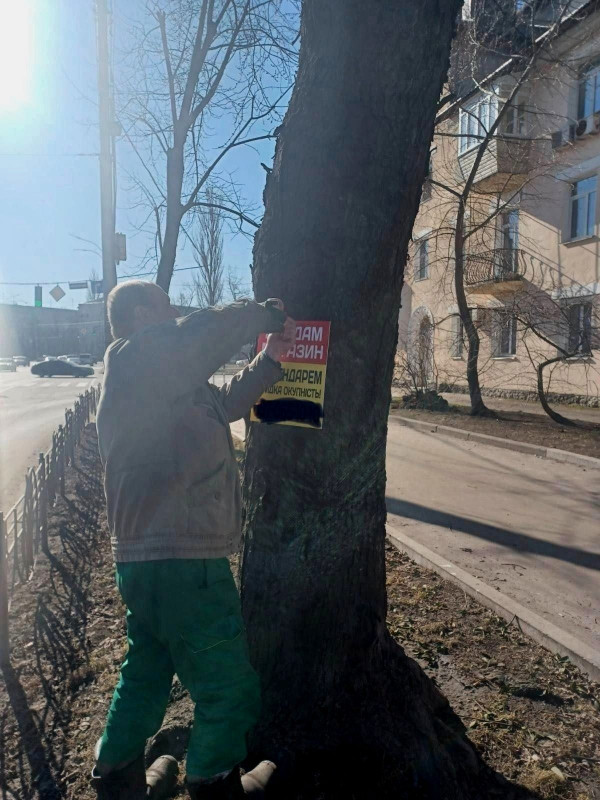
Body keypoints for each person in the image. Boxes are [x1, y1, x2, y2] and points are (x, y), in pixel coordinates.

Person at [91, 280, 295, 800]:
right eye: (166, 308)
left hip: (143, 560)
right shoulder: (138, 357)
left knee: (146, 670)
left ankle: (117, 781)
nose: (176, 314)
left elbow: (224, 403)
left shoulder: (158, 380)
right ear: (140, 317)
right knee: (227, 685)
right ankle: (214, 782)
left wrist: (271, 359)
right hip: (183, 559)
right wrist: (261, 314)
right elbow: (198, 334)